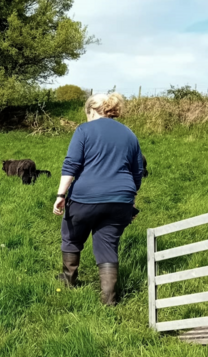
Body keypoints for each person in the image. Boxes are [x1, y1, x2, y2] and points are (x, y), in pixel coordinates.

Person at [53, 92, 144, 305]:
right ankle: (109, 300)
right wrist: (129, 197)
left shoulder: (84, 130)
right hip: (121, 199)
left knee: (72, 235)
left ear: (93, 109)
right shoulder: (129, 134)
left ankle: (68, 280)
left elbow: (71, 164)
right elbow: (137, 170)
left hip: (86, 197)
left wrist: (60, 195)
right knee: (107, 244)